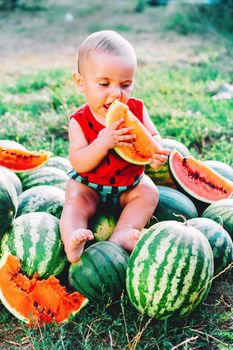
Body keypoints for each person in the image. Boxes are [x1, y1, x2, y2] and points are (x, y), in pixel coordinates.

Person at [60, 30, 169, 263]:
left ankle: (121, 234)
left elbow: (152, 136)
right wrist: (102, 142)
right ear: (81, 83)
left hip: (128, 186)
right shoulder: (79, 121)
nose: (116, 93)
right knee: (74, 200)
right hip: (90, 185)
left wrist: (155, 150)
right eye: (104, 83)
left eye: (125, 84)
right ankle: (72, 241)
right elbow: (79, 162)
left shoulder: (136, 111)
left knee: (149, 193)